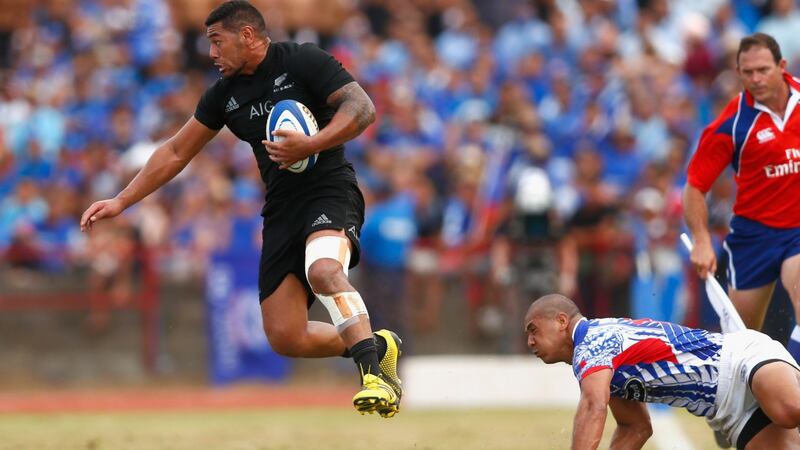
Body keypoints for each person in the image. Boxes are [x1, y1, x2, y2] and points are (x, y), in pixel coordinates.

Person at [79, 1, 402, 417]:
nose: (211, 53)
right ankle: (378, 345)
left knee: (324, 270)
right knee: (286, 337)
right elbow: (177, 151)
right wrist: (121, 200)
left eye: (217, 41)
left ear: (247, 35)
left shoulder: (303, 60)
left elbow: (362, 109)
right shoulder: (225, 95)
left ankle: (374, 376)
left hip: (330, 189)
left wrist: (312, 143)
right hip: (282, 208)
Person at [524, 293, 800, 450]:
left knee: (788, 410)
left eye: (533, 330)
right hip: (727, 411)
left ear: (562, 321)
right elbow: (635, 428)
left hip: (739, 358)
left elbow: (593, 405)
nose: (530, 342)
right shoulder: (600, 366)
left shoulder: (591, 340)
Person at [683, 32, 800, 362]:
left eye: (763, 70)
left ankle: (793, 398)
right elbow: (694, 187)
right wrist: (702, 239)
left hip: (797, 233)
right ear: (738, 72)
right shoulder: (732, 123)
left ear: (782, 66)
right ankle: (738, 407)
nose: (756, 79)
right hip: (754, 236)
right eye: (747, 72)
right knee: (739, 345)